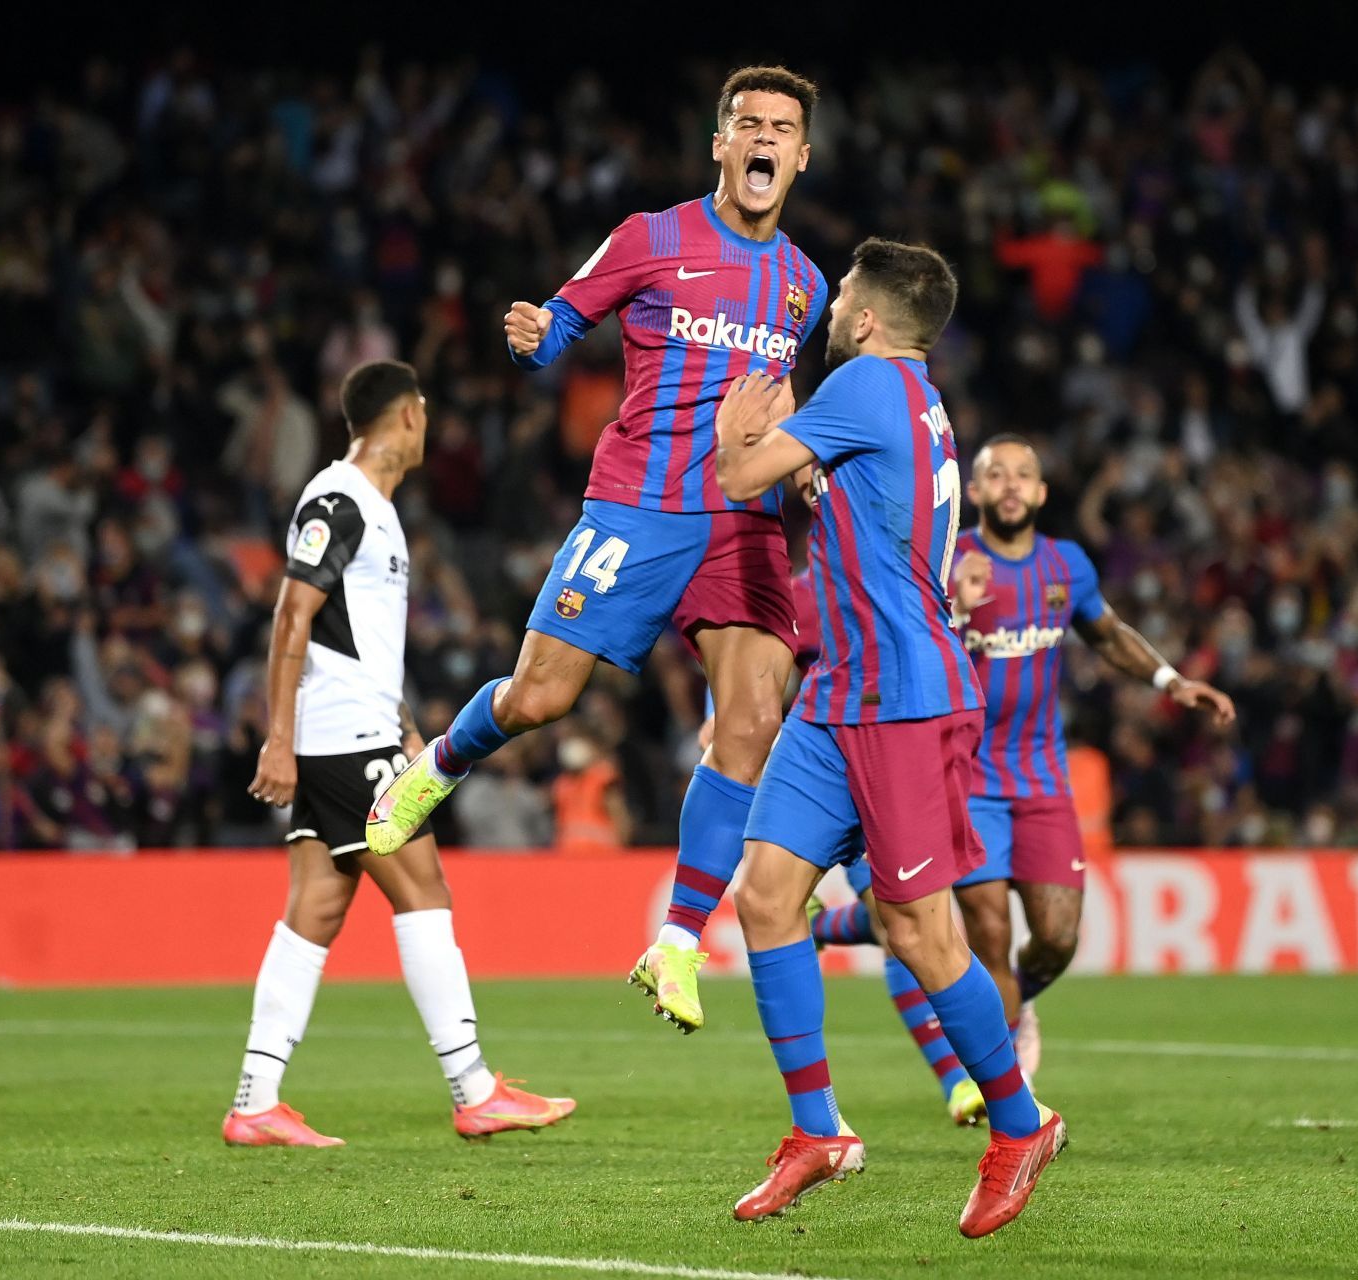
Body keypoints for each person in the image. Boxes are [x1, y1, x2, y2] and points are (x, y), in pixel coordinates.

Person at [368, 66, 829, 1036]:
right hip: (638, 510)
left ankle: (677, 936)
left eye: (781, 128)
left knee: (750, 714)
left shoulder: (804, 284)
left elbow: (780, 401)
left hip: (738, 523)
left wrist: (799, 463)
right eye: (747, 122)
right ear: (720, 143)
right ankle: (435, 765)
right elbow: (559, 322)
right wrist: (535, 334)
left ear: (800, 154)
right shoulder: (652, 237)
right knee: (541, 696)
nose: (763, 138)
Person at [712, 238, 1063, 1235]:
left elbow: (741, 477)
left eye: (842, 298)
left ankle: (1017, 1120)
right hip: (840, 692)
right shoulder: (901, 399)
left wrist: (740, 423)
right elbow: (819, 507)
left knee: (919, 930)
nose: (830, 309)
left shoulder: (869, 382)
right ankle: (816, 1127)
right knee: (768, 892)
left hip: (903, 697)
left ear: (868, 317)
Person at [232, 359, 574, 1147]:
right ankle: (475, 1088)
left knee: (315, 910)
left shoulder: (376, 509)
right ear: (410, 415)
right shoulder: (340, 497)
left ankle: (255, 1099)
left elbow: (358, 641)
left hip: (361, 726)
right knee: (425, 890)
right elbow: (292, 615)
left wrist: (405, 722)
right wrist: (278, 737)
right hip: (341, 737)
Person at [875, 436, 1236, 1085]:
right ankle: (1008, 1097)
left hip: (1042, 778)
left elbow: (1107, 633)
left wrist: (1170, 681)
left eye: (1024, 475)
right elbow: (904, 645)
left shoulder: (1066, 565)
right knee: (987, 931)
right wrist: (955, 607)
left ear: (1041, 493)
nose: (1010, 485)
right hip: (968, 778)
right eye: (996, 476)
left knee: (1058, 938)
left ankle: (1019, 1004)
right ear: (975, 492)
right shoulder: (946, 561)